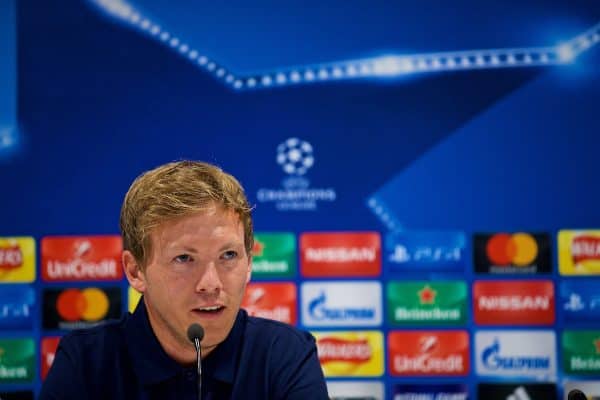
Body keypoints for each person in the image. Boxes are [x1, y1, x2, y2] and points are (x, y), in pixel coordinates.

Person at [40, 160, 329, 400]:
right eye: (184, 259)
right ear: (135, 271)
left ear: (249, 262)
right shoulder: (85, 364)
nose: (211, 283)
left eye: (228, 255)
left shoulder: (285, 356)